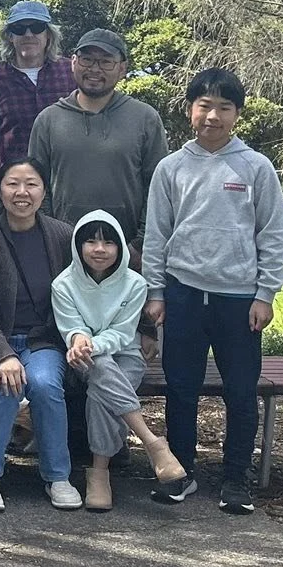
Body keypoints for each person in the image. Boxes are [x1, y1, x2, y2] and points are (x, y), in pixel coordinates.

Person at [142, 68, 283, 515]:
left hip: (239, 301)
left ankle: (235, 478)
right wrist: (156, 291)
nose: (213, 116)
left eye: (224, 108)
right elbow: (156, 235)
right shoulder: (171, 168)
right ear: (190, 111)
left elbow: (274, 232)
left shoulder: (255, 166)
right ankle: (181, 472)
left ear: (237, 115)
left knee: (241, 392)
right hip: (184, 294)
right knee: (182, 389)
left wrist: (265, 293)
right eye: (205, 106)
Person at [0, 160, 79, 513]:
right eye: (13, 184)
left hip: (42, 341)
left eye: (32, 184)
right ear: (0, 190)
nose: (22, 193)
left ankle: (58, 475)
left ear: (45, 190)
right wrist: (2, 353)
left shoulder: (63, 236)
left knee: (44, 384)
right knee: (5, 382)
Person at [50, 209, 186, 512]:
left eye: (109, 243)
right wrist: (77, 340)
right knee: (98, 366)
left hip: (125, 354)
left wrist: (90, 344)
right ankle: (152, 442)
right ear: (78, 246)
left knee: (102, 389)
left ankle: (99, 471)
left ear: (121, 247)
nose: (100, 250)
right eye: (91, 242)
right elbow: (71, 325)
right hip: (82, 356)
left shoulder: (135, 284)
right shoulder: (63, 284)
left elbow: (124, 334)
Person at [27, 28, 168, 255]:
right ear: (73, 62)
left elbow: (157, 187)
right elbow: (36, 187)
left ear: (122, 69)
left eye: (105, 62)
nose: (94, 69)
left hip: (127, 251)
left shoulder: (145, 118)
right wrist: (50, 239)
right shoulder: (49, 120)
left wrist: (139, 244)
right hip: (63, 250)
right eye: (87, 60)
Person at [0, 0, 77, 173]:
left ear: (48, 34)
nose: (28, 34)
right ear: (10, 36)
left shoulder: (71, 71)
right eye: (19, 28)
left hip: (66, 178)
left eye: (37, 27)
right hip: (15, 185)